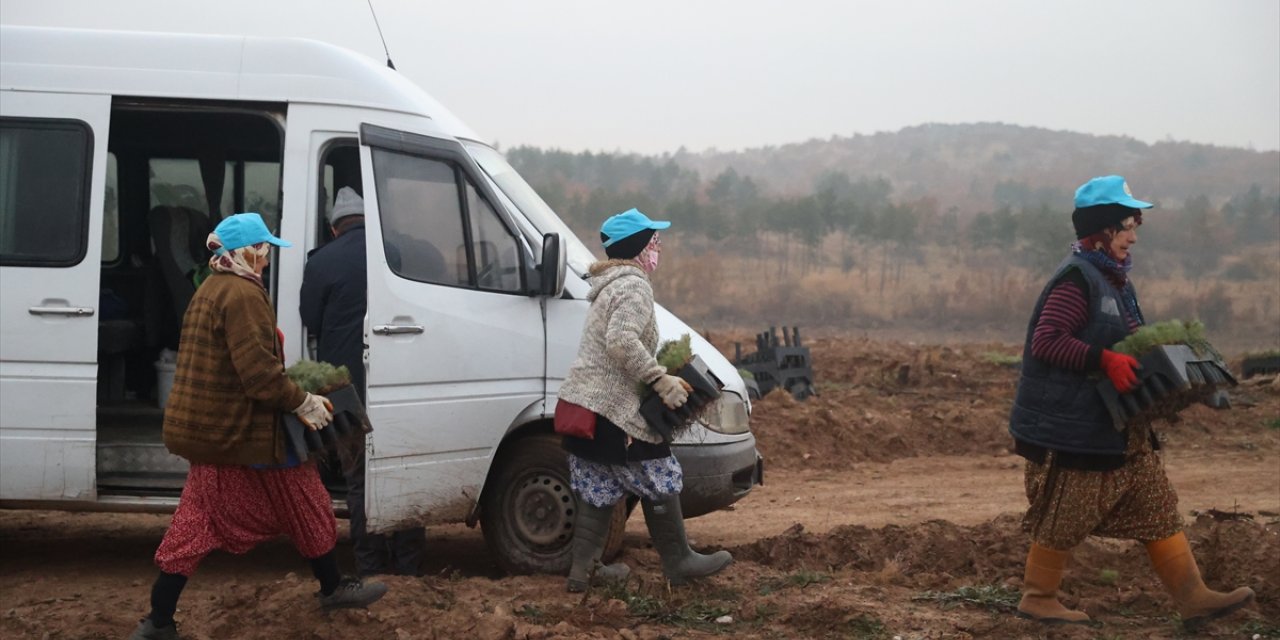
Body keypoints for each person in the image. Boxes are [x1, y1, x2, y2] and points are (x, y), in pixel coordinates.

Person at [1007, 176, 1254, 627]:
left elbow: (1129, 337)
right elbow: (1047, 341)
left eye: (1134, 226)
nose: (1133, 236)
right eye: (1127, 226)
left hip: (1117, 426)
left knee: (1156, 503)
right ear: (1102, 229)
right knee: (1067, 512)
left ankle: (1193, 596)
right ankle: (1037, 596)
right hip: (1075, 428)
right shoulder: (1077, 281)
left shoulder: (1114, 280)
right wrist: (1103, 359)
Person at [130, 213, 387, 640]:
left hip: (212, 432)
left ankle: (158, 620)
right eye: (263, 249)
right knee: (304, 499)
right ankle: (332, 588)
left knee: (197, 522)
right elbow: (259, 376)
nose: (266, 259)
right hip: (239, 432)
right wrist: (303, 400)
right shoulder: (243, 295)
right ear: (246, 251)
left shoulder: (212, 287)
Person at [556, 208, 733, 592]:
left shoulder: (608, 285)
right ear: (639, 247)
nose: (659, 248)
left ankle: (582, 573)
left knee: (598, 485)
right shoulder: (633, 286)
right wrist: (659, 378)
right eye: (654, 242)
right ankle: (680, 561)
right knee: (660, 476)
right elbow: (621, 341)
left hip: (586, 406)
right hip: (613, 412)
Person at [299, 187, 427, 577]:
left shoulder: (321, 262)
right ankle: (408, 567)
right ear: (368, 223)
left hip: (343, 386)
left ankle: (369, 565)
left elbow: (310, 319)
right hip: (395, 379)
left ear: (334, 228)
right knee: (401, 470)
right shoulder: (392, 254)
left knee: (358, 479)